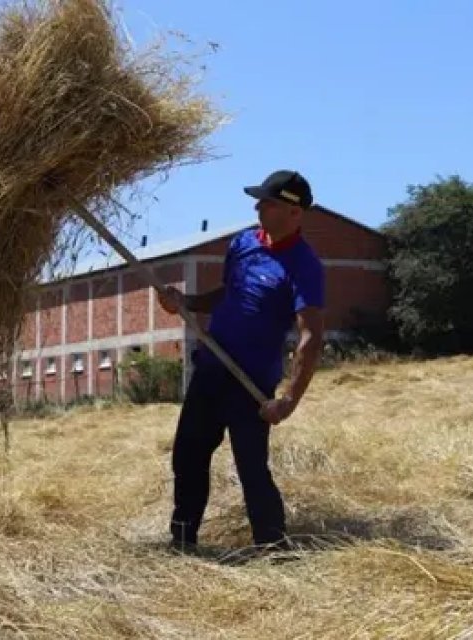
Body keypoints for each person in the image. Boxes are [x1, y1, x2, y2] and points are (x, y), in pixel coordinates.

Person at [157, 169, 326, 555]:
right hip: (213, 368)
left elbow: (311, 337)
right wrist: (187, 303)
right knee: (188, 456)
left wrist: (288, 398)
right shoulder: (243, 244)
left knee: (251, 469)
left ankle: (274, 549)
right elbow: (226, 295)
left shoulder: (304, 266)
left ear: (293, 213)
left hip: (251, 383)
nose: (257, 207)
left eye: (267, 203)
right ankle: (182, 542)